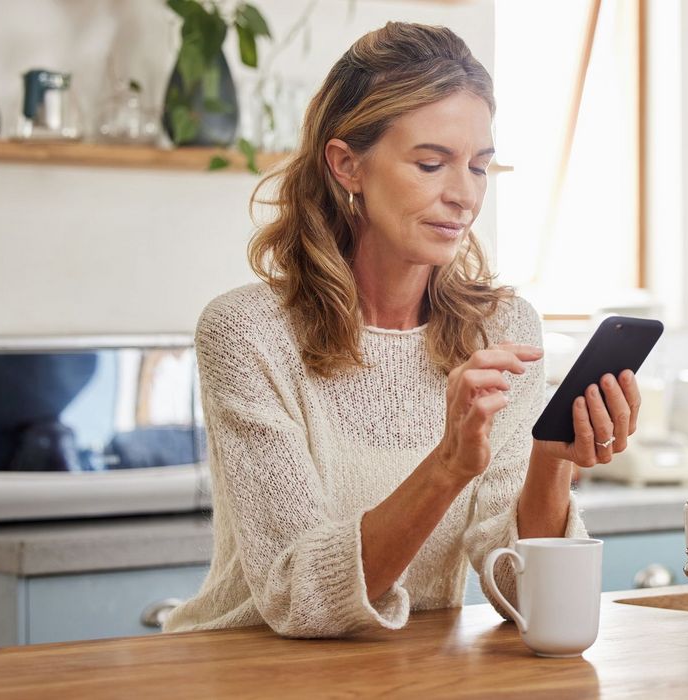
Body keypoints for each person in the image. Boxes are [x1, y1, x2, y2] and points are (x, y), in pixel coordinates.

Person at [163, 21, 643, 639]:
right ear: (347, 165)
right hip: (247, 670)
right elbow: (302, 599)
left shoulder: (500, 329)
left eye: (478, 167)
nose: (464, 195)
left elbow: (526, 594)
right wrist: (447, 465)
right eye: (430, 163)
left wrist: (550, 462)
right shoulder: (247, 333)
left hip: (405, 672)